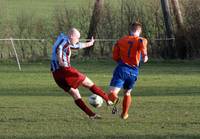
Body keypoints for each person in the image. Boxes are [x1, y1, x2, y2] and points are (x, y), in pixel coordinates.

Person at [51, 28, 113, 119]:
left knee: (75, 93)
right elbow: (59, 48)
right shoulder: (64, 42)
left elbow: (76, 46)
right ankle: (107, 99)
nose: (78, 40)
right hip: (65, 70)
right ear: (71, 36)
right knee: (88, 83)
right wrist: (60, 59)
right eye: (77, 38)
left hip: (56, 74)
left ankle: (91, 115)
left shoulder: (65, 40)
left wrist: (90, 43)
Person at [108, 22, 148, 120]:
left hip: (122, 69)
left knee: (111, 93)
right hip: (134, 72)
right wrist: (145, 57)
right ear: (140, 31)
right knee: (127, 92)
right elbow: (144, 53)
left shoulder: (121, 41)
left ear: (130, 30)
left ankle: (115, 99)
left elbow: (115, 57)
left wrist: (121, 62)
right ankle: (124, 114)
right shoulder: (142, 40)